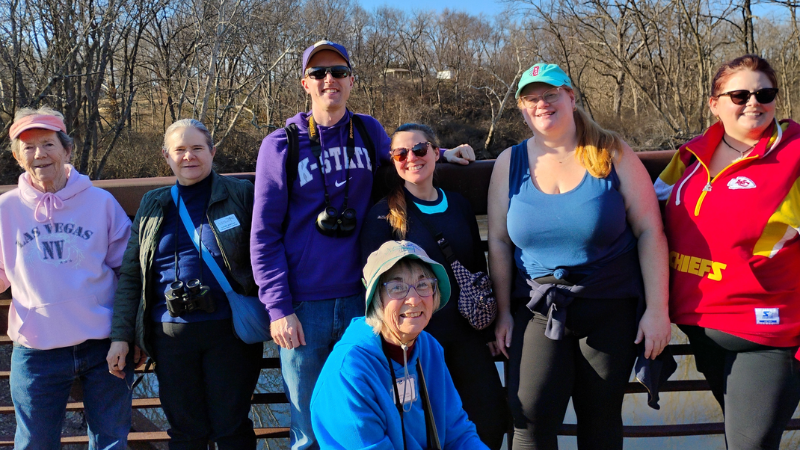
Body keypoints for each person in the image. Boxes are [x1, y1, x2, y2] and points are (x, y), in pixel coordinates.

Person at [250, 40, 475, 450]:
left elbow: (406, 160)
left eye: (337, 71)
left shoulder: (368, 131)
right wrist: (278, 308)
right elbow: (263, 233)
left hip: (365, 302)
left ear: (351, 80)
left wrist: (442, 156)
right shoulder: (281, 144)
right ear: (305, 83)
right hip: (304, 306)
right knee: (308, 431)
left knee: (380, 414)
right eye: (318, 73)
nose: (329, 80)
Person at [487, 63, 671, 449]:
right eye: (530, 98)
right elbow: (500, 242)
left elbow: (650, 231)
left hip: (609, 306)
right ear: (521, 107)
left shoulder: (612, 153)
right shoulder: (509, 162)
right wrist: (503, 312)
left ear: (570, 96)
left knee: (600, 421)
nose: (542, 104)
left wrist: (658, 310)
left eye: (550, 94)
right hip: (538, 307)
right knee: (529, 419)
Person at [655, 54, 800, 449]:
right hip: (701, 326)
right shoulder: (689, 156)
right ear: (714, 103)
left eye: (764, 93)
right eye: (739, 95)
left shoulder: (796, 155)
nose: (753, 103)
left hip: (767, 334)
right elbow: (639, 211)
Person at [107, 119, 262, 449]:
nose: (188, 156)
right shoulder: (153, 203)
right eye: (179, 149)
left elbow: (268, 253)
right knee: (185, 431)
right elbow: (132, 275)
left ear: (212, 151)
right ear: (166, 156)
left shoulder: (241, 195)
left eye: (197, 148)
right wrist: (121, 335)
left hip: (230, 333)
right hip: (170, 337)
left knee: (231, 427)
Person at [360, 123, 507, 448]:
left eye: (420, 149)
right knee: (422, 429)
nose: (411, 158)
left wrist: (489, 328)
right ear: (393, 161)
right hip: (415, 342)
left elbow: (476, 268)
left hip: (467, 335)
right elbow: (371, 288)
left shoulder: (459, 205)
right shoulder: (383, 217)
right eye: (400, 153)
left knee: (490, 419)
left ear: (436, 153)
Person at [0, 107, 133, 449]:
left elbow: (129, 271)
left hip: (102, 346)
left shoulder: (101, 203)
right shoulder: (6, 209)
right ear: (18, 157)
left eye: (47, 144)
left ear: (67, 150)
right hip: (36, 351)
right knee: (34, 444)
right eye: (28, 147)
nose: (39, 154)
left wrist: (127, 334)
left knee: (110, 443)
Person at [310, 240, 489, 450]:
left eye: (423, 284)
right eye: (397, 287)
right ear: (376, 297)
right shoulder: (349, 371)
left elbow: (458, 433)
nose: (413, 299)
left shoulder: (428, 347)